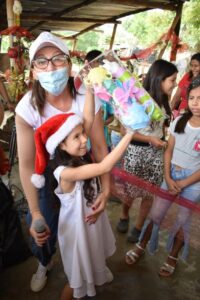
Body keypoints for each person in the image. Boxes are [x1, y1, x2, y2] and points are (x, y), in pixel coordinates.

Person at [15, 32, 110, 292]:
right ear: (33, 71)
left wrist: (107, 187)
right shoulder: (27, 108)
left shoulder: (86, 99)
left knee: (86, 223)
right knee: (45, 227)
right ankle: (44, 262)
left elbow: (100, 148)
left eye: (57, 59)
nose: (51, 67)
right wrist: (35, 211)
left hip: (84, 169)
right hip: (46, 174)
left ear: (69, 64)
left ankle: (90, 263)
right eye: (42, 62)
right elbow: (25, 164)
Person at [31, 111, 134, 299]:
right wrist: (129, 134)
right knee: (75, 280)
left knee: (95, 251)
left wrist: (89, 87)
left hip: (90, 222)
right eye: (77, 136)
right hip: (76, 231)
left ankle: (97, 270)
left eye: (83, 133)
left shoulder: (81, 157)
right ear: (61, 144)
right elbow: (103, 167)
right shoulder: (64, 172)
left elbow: (89, 115)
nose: (85, 139)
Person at [125, 77, 200, 278]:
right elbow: (168, 151)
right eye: (192, 98)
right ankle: (141, 245)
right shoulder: (179, 121)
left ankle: (173, 257)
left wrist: (183, 182)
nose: (195, 103)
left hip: (193, 182)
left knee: (183, 220)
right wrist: (168, 176)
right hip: (170, 175)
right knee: (156, 214)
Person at [116, 59, 178, 243]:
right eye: (172, 80)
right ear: (160, 79)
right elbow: (123, 132)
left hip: (157, 154)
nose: (174, 84)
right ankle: (124, 215)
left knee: (149, 194)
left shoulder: (164, 100)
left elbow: (160, 126)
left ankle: (137, 227)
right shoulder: (137, 100)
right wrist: (149, 139)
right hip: (136, 153)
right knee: (130, 192)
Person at [85, 50, 114, 150]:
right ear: (89, 63)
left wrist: (102, 123)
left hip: (103, 142)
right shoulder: (81, 88)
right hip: (86, 145)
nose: (102, 66)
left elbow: (111, 116)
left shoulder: (106, 89)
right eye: (100, 62)